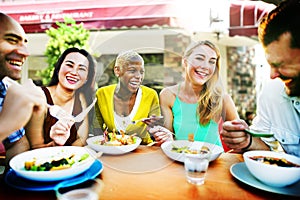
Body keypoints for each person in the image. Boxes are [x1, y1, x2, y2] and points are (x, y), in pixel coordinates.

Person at [221, 0, 300, 157]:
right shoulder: (273, 89)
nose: (272, 75)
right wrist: (247, 141)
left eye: (281, 64)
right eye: (270, 64)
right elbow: (265, 147)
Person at [150, 40, 239, 147]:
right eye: (199, 58)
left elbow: (239, 139)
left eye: (212, 61)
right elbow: (169, 137)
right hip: (180, 156)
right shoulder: (168, 95)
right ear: (185, 62)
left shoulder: (222, 98)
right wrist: (165, 136)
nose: (206, 66)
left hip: (213, 160)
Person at [26, 47, 96, 149]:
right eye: (69, 65)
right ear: (58, 69)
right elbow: (36, 147)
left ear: (87, 78)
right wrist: (56, 143)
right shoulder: (40, 96)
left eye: (81, 69)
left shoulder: (82, 99)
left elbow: (81, 139)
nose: (74, 72)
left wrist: (70, 159)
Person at [0, 13, 47, 162]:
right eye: (12, 40)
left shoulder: (4, 89)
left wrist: (34, 124)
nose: (25, 53)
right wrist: (6, 124)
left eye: (24, 44)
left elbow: (17, 145)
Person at [93, 50, 161, 145]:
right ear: (117, 71)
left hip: (142, 151)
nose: (138, 76)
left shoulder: (151, 95)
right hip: (112, 150)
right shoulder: (102, 94)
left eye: (141, 72)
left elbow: (156, 134)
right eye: (132, 70)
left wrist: (154, 128)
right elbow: (97, 130)